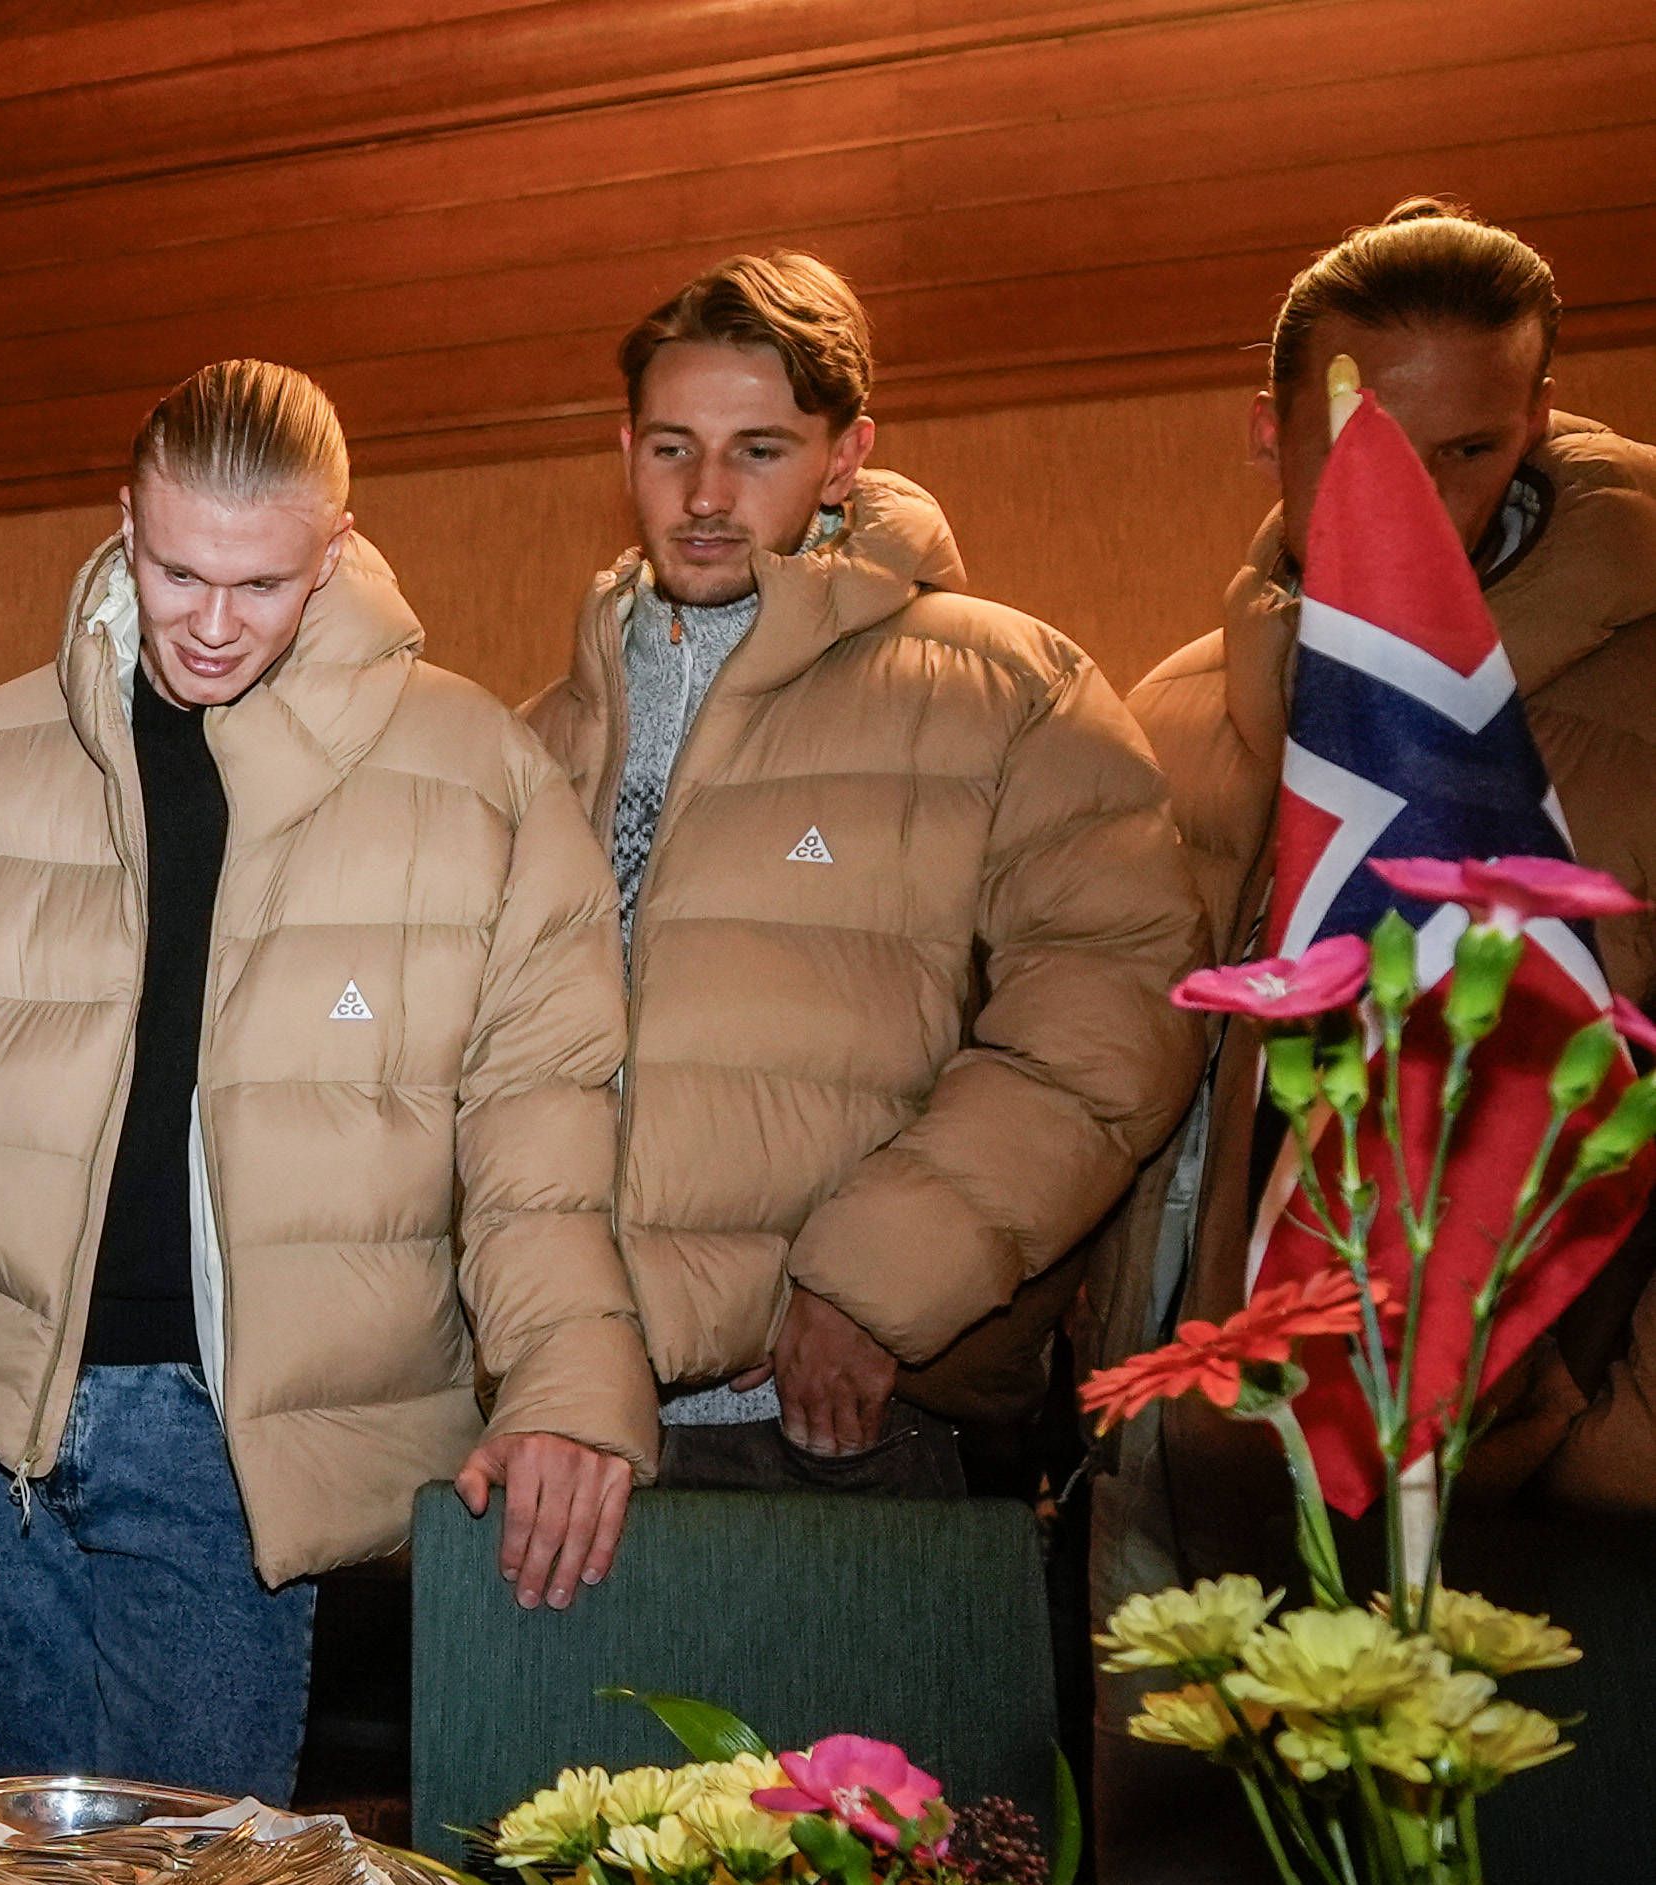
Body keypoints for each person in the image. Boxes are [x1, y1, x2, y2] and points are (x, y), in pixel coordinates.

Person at [0, 360, 654, 1804]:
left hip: (236, 1439)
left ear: (342, 546)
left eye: (266, 582)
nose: (216, 624)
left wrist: (567, 1384)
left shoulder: (479, 774)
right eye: (177, 572)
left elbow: (541, 1121)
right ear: (123, 522)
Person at [523, 255, 1203, 1497]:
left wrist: (875, 1278)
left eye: (762, 450)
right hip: (553, 1411)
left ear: (845, 456)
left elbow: (1114, 1012)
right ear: (624, 447)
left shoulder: (1009, 689)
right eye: (671, 448)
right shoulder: (532, 740)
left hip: (825, 1408)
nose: (708, 493)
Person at [1097, 200, 1656, 1580]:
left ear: (1537, 419)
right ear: (1265, 432)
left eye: (1472, 450)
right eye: (1370, 453)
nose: (1420, 499)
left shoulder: (1645, 691)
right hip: (1199, 1466)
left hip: (1522, 1477)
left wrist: (1610, 1462)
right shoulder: (1173, 709)